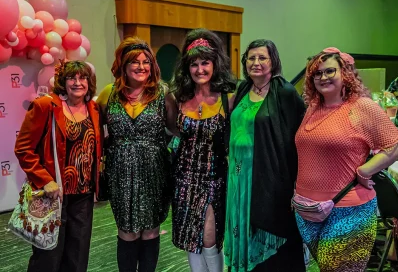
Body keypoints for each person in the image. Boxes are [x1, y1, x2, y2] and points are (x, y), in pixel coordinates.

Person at [295, 47, 398, 272]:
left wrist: (365, 171)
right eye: (317, 73)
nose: (322, 77)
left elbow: (395, 144)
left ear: (345, 74)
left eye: (330, 71)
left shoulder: (361, 107)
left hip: (348, 209)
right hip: (307, 211)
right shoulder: (313, 107)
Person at [224, 39, 306, 272]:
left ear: (273, 61)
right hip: (238, 179)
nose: (256, 62)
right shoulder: (242, 88)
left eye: (262, 58)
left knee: (269, 232)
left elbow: (297, 138)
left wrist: (296, 185)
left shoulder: (285, 92)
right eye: (251, 58)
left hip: (269, 178)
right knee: (242, 228)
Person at [96, 37, 177, 272]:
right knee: (127, 229)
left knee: (150, 228)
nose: (142, 67)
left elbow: (176, 128)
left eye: (146, 62)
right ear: (123, 65)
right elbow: (93, 128)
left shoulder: (162, 93)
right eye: (135, 62)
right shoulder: (108, 94)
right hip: (120, 171)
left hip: (154, 170)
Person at [15, 60, 102, 272]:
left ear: (89, 82)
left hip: (83, 194)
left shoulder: (94, 108)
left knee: (78, 256)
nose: (77, 82)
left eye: (83, 78)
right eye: (72, 77)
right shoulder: (46, 106)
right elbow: (23, 149)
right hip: (53, 194)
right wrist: (45, 180)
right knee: (48, 256)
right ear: (63, 81)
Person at [171, 28, 236, 272]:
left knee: (209, 239)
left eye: (205, 63)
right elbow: (172, 131)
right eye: (194, 64)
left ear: (215, 64)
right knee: (191, 238)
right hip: (184, 179)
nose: (200, 69)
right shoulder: (178, 98)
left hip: (214, 179)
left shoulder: (228, 98)